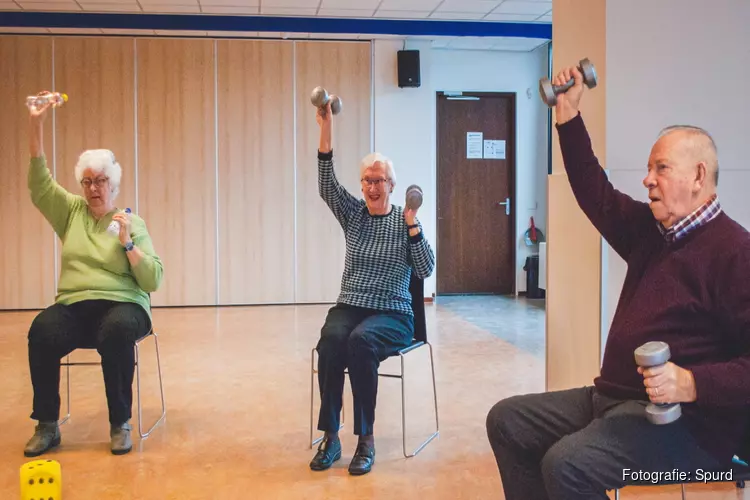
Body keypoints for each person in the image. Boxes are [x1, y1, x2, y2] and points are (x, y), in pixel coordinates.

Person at [485, 65, 750, 499]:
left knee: (567, 464)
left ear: (699, 177)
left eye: (661, 168)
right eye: (649, 168)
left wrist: (691, 382)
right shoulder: (653, 232)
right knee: (508, 420)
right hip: (614, 401)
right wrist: (567, 114)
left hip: (690, 428)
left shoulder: (736, 252)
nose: (647, 178)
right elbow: (596, 193)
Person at [23, 94, 164, 457]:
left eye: (100, 181)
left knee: (115, 331)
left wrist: (128, 244)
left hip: (125, 305)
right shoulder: (71, 212)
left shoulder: (131, 222)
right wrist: (36, 123)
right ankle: (48, 425)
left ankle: (120, 423)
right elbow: (40, 186)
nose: (93, 188)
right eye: (86, 182)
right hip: (76, 305)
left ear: (113, 184)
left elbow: (152, 280)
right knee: (42, 330)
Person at [309, 102, 435, 475]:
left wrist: (413, 225)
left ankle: (366, 439)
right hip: (350, 305)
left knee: (361, 343)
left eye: (380, 180)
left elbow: (426, 268)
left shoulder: (404, 220)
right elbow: (325, 183)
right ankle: (331, 437)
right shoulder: (353, 214)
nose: (373, 186)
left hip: (394, 314)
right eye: (368, 179)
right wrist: (326, 127)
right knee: (331, 340)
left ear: (392, 186)